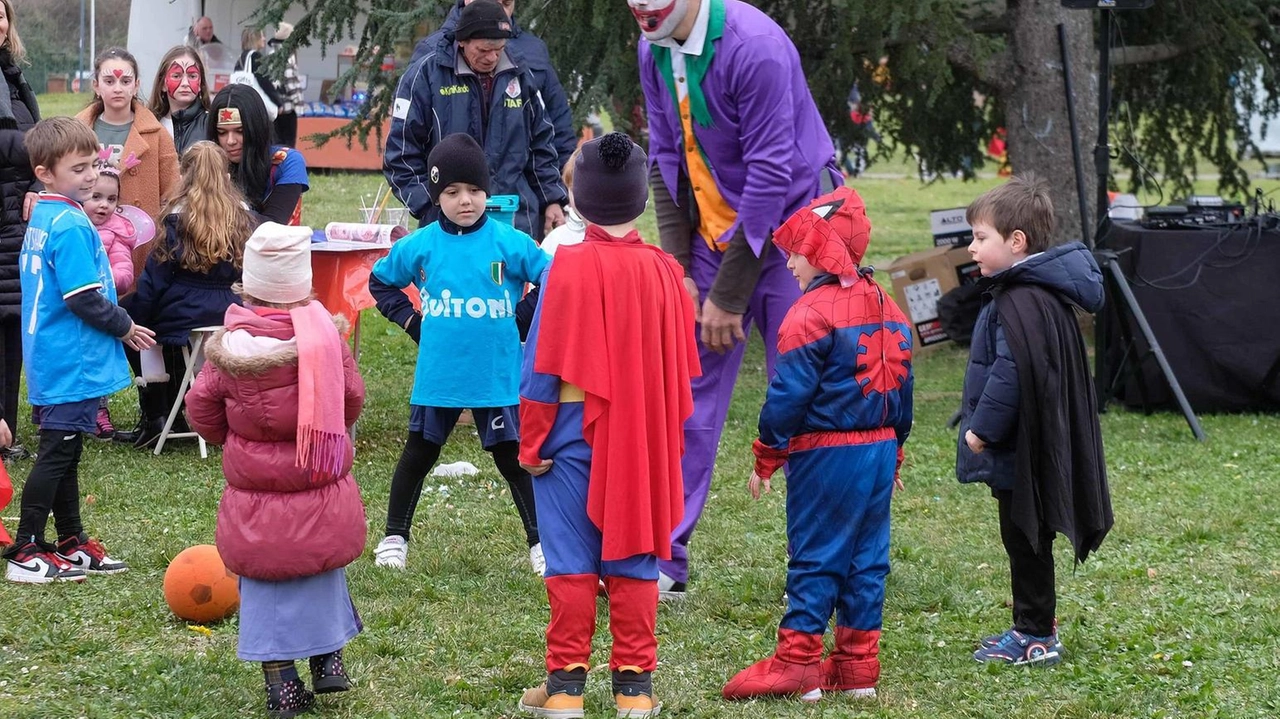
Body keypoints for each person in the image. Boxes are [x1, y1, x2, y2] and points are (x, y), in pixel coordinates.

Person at [632, 0, 842, 599]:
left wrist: (728, 292)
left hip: (796, 234)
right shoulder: (653, 44)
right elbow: (665, 157)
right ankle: (662, 557)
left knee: (806, 397)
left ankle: (821, 568)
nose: (642, 7)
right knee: (685, 388)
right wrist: (678, 266)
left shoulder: (756, 47)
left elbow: (772, 173)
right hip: (710, 232)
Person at [515, 132, 699, 719]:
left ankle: (567, 687)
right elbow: (678, 375)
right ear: (642, 200)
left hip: (569, 430)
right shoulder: (668, 273)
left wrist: (531, 440)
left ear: (580, 202)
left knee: (569, 555)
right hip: (643, 429)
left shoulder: (563, 267)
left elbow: (540, 367)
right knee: (637, 553)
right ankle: (634, 690)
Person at [721, 187, 913, 701]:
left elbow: (787, 398)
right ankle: (857, 668)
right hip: (877, 450)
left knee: (815, 555)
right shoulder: (889, 306)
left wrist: (767, 454)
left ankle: (798, 662)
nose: (788, 262)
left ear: (823, 252)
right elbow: (902, 388)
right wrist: (894, 450)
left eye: (797, 251)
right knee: (867, 559)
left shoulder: (809, 315)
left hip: (827, 454)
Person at [186, 223, 366, 719]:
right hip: (318, 482)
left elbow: (200, 409)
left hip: (254, 497)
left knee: (264, 585)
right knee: (322, 568)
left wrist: (233, 439)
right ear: (304, 287)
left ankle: (282, 686)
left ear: (247, 286)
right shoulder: (327, 341)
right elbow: (350, 400)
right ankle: (329, 661)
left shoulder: (228, 351)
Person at [368, 132, 548, 573]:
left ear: (487, 192)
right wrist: (412, 322)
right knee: (419, 454)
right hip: (439, 376)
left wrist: (519, 320)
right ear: (436, 195)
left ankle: (542, 544)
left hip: (496, 374)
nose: (464, 200)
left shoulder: (510, 243)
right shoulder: (421, 244)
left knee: (514, 460)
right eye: (451, 192)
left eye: (474, 190)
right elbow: (380, 280)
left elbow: (554, 280)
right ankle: (394, 537)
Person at [958, 174, 1112, 666]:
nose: (971, 247)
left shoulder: (1020, 299)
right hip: (1031, 441)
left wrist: (981, 428)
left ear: (1016, 241)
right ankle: (1034, 623)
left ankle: (1034, 635)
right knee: (1028, 535)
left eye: (981, 237)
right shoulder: (1033, 291)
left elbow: (1010, 373)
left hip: (1018, 448)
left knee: (1025, 536)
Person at [2, 117, 156, 584]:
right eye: (78, 169)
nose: (90, 176)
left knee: (66, 449)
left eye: (93, 165)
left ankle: (70, 540)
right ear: (44, 172)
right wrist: (125, 326)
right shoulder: (70, 225)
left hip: (52, 355)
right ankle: (26, 548)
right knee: (57, 451)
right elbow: (82, 297)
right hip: (72, 359)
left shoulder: (46, 214)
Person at [384, 0, 567, 240]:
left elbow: (542, 145)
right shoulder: (426, 75)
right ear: (462, 41)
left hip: (516, 224)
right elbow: (400, 154)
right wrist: (430, 205)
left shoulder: (520, 74)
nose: (492, 57)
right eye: (483, 50)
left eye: (499, 49)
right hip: (448, 229)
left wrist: (552, 199)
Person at [116, 141, 255, 449]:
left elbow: (157, 277)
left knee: (138, 329)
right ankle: (198, 412)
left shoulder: (177, 216)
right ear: (225, 175)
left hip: (183, 307)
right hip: (230, 308)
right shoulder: (244, 215)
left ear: (184, 174)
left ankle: (157, 417)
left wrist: (132, 318)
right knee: (186, 337)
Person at [406, 0, 578, 168]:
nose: (492, 58)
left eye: (506, 4)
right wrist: (432, 194)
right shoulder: (432, 53)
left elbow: (554, 124)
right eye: (483, 50)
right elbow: (407, 142)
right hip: (455, 190)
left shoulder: (533, 51)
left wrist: (563, 181)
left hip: (516, 193)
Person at [75, 46, 180, 277]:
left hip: (138, 242)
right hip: (83, 235)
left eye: (125, 81)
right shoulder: (76, 132)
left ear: (136, 85)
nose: (118, 88)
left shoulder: (156, 134)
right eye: (109, 81)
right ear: (96, 86)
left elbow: (172, 192)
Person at [0, 0, 39, 462]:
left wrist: (35, 182)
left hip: (18, 219)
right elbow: (31, 141)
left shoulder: (12, 75)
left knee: (12, 328)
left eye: (2, 14)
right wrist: (43, 148)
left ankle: (6, 432)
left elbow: (35, 141)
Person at [82, 152, 139, 439]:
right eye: (96, 196)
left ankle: (98, 411)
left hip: (101, 310)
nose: (103, 205)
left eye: (111, 199)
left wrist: (101, 279)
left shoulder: (116, 235)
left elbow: (125, 274)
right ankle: (51, 413)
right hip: (71, 312)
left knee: (97, 361)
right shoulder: (72, 227)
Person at [208, 84, 309, 225]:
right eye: (222, 133)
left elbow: (272, 227)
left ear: (256, 129)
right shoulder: (208, 165)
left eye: (240, 131)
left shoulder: (286, 161)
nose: (230, 141)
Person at [148, 45, 211, 155]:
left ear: (200, 83)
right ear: (163, 83)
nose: (185, 83)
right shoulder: (149, 125)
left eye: (192, 76)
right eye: (177, 76)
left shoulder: (210, 123)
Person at [267, 22, 305, 147]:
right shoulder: (288, 57)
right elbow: (290, 83)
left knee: (276, 143)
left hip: (275, 107)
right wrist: (299, 105)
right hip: (288, 108)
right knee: (288, 145)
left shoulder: (271, 55)